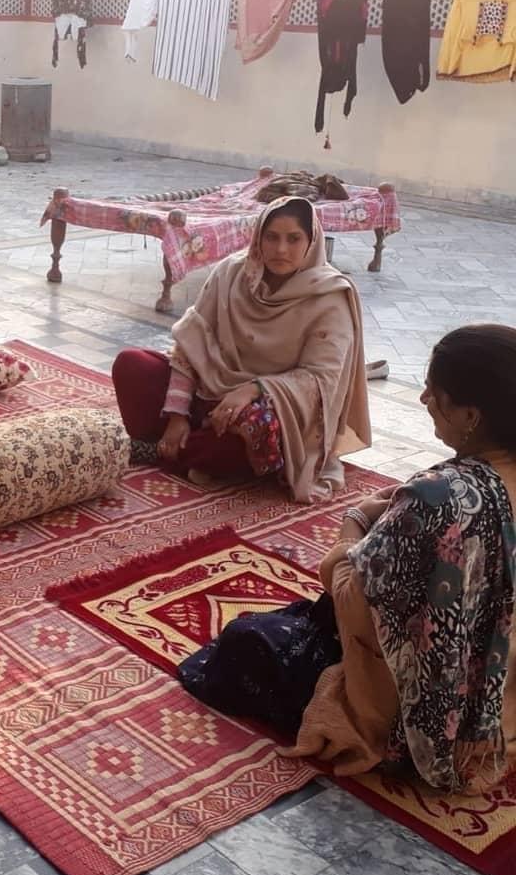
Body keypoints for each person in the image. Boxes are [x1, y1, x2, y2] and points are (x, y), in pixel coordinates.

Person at [181, 325, 516, 795]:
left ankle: (382, 734)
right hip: (504, 695)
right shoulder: (457, 488)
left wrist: (354, 524)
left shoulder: (437, 498)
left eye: (434, 393)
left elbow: (350, 600)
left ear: (472, 415)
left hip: (427, 712)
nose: (423, 399)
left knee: (246, 642)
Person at [112, 196, 371, 503]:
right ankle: (189, 448)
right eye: (271, 237)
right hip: (207, 393)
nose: (281, 249)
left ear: (311, 241)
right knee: (132, 365)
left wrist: (254, 389)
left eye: (293, 239)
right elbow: (191, 346)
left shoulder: (330, 297)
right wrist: (177, 415)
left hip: (268, 410)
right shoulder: (232, 274)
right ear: (258, 237)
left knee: (253, 432)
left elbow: (321, 380)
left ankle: (161, 450)